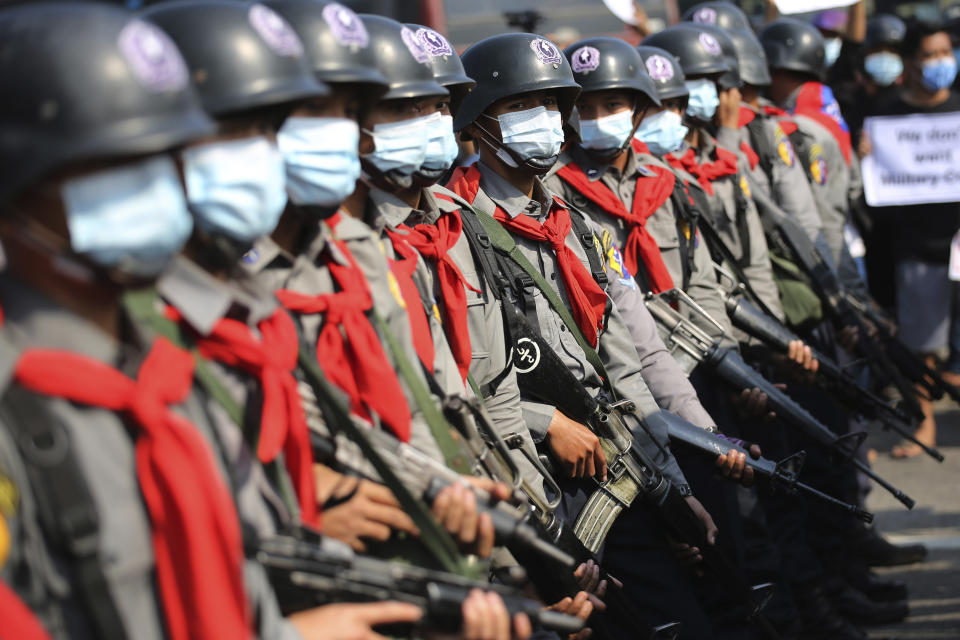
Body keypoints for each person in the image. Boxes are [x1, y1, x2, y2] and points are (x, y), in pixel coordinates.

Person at [446, 30, 765, 639]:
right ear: (478, 123)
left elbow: (627, 367)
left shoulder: (578, 227)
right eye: (518, 108)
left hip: (617, 475)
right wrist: (546, 423)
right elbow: (464, 381)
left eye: (547, 105)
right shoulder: (455, 231)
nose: (540, 121)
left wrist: (675, 487)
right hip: (530, 491)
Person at [859, 19, 960, 459]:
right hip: (916, 248)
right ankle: (925, 424)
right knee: (922, 346)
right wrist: (866, 153)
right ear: (913, 62)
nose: (940, 62)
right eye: (931, 54)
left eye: (945, 53)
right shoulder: (886, 113)